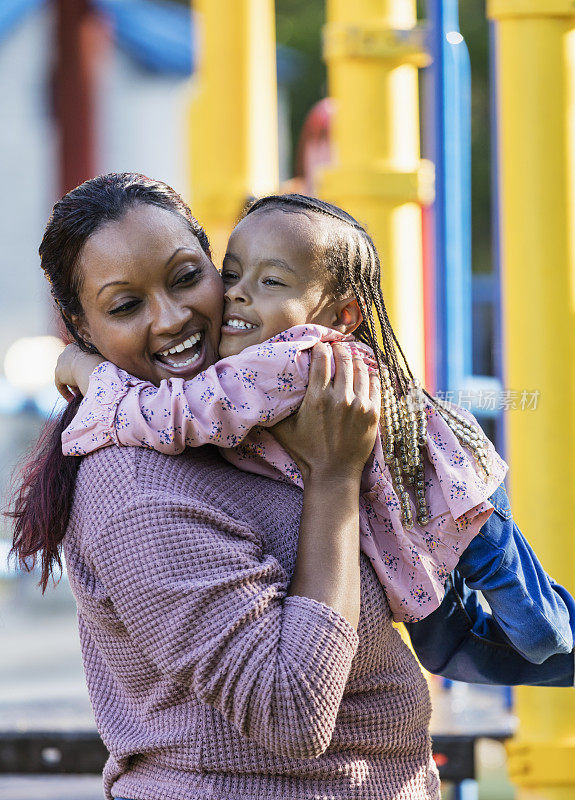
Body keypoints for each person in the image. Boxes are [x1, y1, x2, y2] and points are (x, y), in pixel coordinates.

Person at [8, 175, 573, 800]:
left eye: (187, 276)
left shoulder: (263, 408)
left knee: (517, 632)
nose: (171, 318)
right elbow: (291, 715)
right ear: (81, 325)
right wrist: (332, 478)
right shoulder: (137, 485)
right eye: (124, 306)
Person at [56, 192, 575, 662]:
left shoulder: (289, 359)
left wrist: (85, 371)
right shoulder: (146, 473)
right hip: (417, 511)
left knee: (541, 632)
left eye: (270, 282)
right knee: (449, 650)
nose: (236, 295)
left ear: (340, 314)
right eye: (232, 274)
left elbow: (175, 413)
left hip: (457, 496)